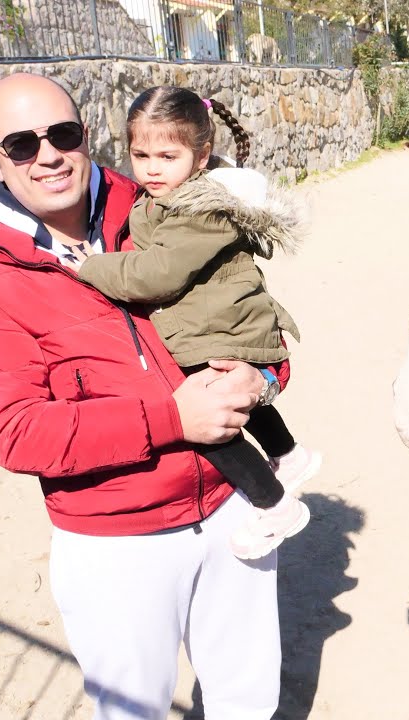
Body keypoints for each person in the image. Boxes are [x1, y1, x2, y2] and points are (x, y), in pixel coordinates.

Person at [0, 73, 282, 719]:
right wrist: (171, 418)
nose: (47, 154)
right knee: (133, 710)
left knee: (248, 696)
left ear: (85, 134)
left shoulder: (160, 202)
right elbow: (15, 431)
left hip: (234, 504)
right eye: (20, 143)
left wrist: (262, 380)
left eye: (62, 134)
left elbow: (247, 309)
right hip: (119, 541)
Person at [76, 86, 320, 560]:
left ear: (201, 154)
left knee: (210, 426)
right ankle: (290, 456)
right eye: (140, 154)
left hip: (226, 331)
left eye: (167, 155)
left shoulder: (201, 209)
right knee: (235, 405)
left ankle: (276, 507)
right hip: (220, 327)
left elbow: (156, 275)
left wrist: (90, 266)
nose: (150, 168)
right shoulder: (167, 198)